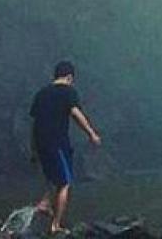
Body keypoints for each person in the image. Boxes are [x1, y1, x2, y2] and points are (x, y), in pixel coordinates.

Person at [29, 60, 101, 234]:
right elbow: (76, 114)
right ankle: (56, 225)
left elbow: (34, 124)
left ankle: (45, 203)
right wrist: (91, 133)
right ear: (69, 77)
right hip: (57, 143)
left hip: (40, 142)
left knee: (52, 175)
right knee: (65, 183)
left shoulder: (41, 94)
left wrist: (33, 150)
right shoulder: (68, 92)